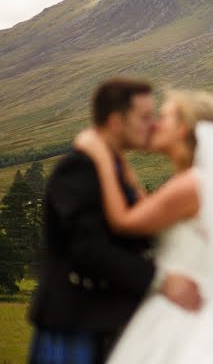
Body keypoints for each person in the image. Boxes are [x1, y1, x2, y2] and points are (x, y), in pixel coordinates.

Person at [74, 88, 213, 363]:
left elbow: (124, 221)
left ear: (182, 129)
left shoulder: (190, 185)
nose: (153, 124)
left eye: (163, 117)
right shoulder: (196, 182)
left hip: (183, 314)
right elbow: (153, 211)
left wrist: (104, 156)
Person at [28, 78, 202, 364]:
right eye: (145, 117)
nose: (153, 125)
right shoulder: (78, 168)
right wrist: (161, 281)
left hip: (102, 322)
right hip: (74, 323)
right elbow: (87, 250)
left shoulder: (113, 169)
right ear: (116, 121)